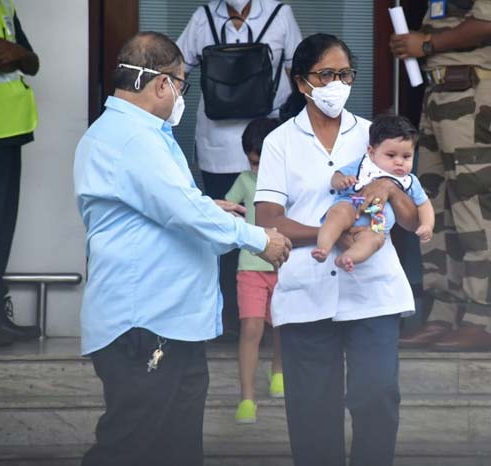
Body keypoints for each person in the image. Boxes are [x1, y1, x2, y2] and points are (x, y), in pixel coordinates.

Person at [74, 32, 291, 466]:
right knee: (130, 448)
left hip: (168, 322)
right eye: (181, 84)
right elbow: (180, 210)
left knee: (174, 449)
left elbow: (162, 206)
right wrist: (259, 238)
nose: (180, 96)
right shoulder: (133, 137)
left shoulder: (133, 134)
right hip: (146, 322)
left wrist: (206, 206)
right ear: (160, 84)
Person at [255, 33, 420, 466]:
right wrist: (327, 232)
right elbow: (267, 221)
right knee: (312, 413)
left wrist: (388, 186)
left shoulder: (374, 135)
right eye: (325, 74)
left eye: (344, 74)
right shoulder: (279, 142)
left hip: (372, 289)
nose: (336, 83)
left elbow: (409, 217)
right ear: (301, 83)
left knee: (377, 394)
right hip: (306, 290)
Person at [391, 0, 491, 351]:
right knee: (433, 206)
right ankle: (444, 312)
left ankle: (484, 318)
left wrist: (427, 44)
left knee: (473, 203)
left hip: (470, 94)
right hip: (438, 93)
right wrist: (413, 42)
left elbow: (490, 23)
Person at [177, 0, 302, 341]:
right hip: (216, 145)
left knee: (272, 228)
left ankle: (273, 322)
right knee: (221, 236)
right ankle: (230, 322)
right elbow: (177, 69)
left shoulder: (279, 13)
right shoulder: (202, 15)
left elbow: (300, 73)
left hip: (269, 141)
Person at [0, 0, 40, 346]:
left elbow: (31, 62)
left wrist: (18, 52)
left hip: (7, 131)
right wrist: (14, 53)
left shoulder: (2, 6)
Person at [312, 114, 435, 273]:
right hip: (352, 206)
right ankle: (323, 248)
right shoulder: (364, 164)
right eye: (391, 155)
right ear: (371, 152)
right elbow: (336, 177)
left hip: (376, 227)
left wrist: (427, 225)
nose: (399, 162)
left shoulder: (409, 180)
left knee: (374, 241)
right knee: (338, 213)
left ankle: (348, 257)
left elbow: (424, 204)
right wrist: (342, 181)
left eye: (406, 156)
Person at [224, 117, 284, 424]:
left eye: (262, 162)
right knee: (251, 329)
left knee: (283, 328)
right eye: (253, 162)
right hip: (250, 267)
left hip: (284, 266)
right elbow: (226, 208)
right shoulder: (245, 180)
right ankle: (247, 397)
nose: (257, 169)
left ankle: (278, 372)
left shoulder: (291, 179)